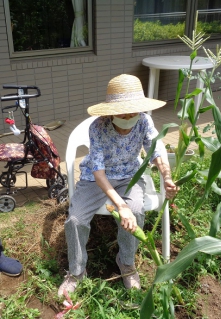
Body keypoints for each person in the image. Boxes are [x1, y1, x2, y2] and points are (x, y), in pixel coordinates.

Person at [58, 74, 179, 296]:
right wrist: (119, 206)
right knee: (75, 219)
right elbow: (98, 171)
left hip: (129, 175)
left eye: (133, 112)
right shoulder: (98, 127)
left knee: (136, 211)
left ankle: (126, 262)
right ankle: (76, 271)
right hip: (96, 179)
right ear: (111, 112)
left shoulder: (144, 121)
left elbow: (156, 150)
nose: (128, 118)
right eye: (123, 113)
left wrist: (167, 176)